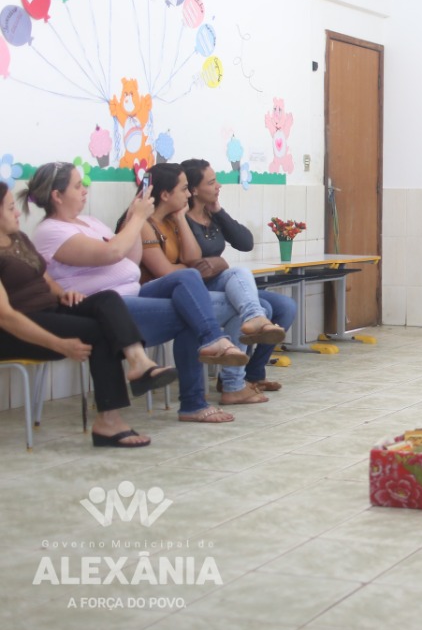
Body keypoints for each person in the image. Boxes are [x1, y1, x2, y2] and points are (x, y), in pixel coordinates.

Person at [23, 161, 247, 424]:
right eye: (77, 185)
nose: (85, 189)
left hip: (134, 295)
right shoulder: (51, 231)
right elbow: (111, 253)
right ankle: (194, 402)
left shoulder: (89, 222)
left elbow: (128, 260)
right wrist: (139, 218)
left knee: (186, 276)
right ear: (57, 196)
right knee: (190, 317)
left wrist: (132, 220)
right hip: (107, 307)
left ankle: (210, 345)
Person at [0, 182, 176, 447]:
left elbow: (44, 277)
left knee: (107, 299)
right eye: (11, 208)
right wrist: (59, 344)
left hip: (48, 310)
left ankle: (138, 361)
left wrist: (62, 294)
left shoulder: (18, 238)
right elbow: (6, 317)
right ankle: (108, 421)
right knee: (97, 331)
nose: (17, 214)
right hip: (16, 327)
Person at [139, 163, 282, 406]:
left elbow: (193, 258)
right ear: (165, 195)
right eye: (184, 190)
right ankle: (234, 384)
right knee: (251, 305)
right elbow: (170, 273)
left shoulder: (173, 220)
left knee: (239, 274)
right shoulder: (145, 224)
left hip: (187, 290)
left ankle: (253, 319)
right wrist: (203, 266)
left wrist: (181, 219)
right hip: (161, 299)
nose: (187, 195)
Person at [182, 158, 295, 394]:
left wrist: (219, 211)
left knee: (286, 307)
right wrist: (219, 262)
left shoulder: (212, 216)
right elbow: (193, 264)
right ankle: (234, 379)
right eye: (212, 182)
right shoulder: (182, 220)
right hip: (203, 287)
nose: (218, 186)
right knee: (263, 307)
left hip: (224, 282)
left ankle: (253, 373)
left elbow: (245, 243)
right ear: (193, 190)